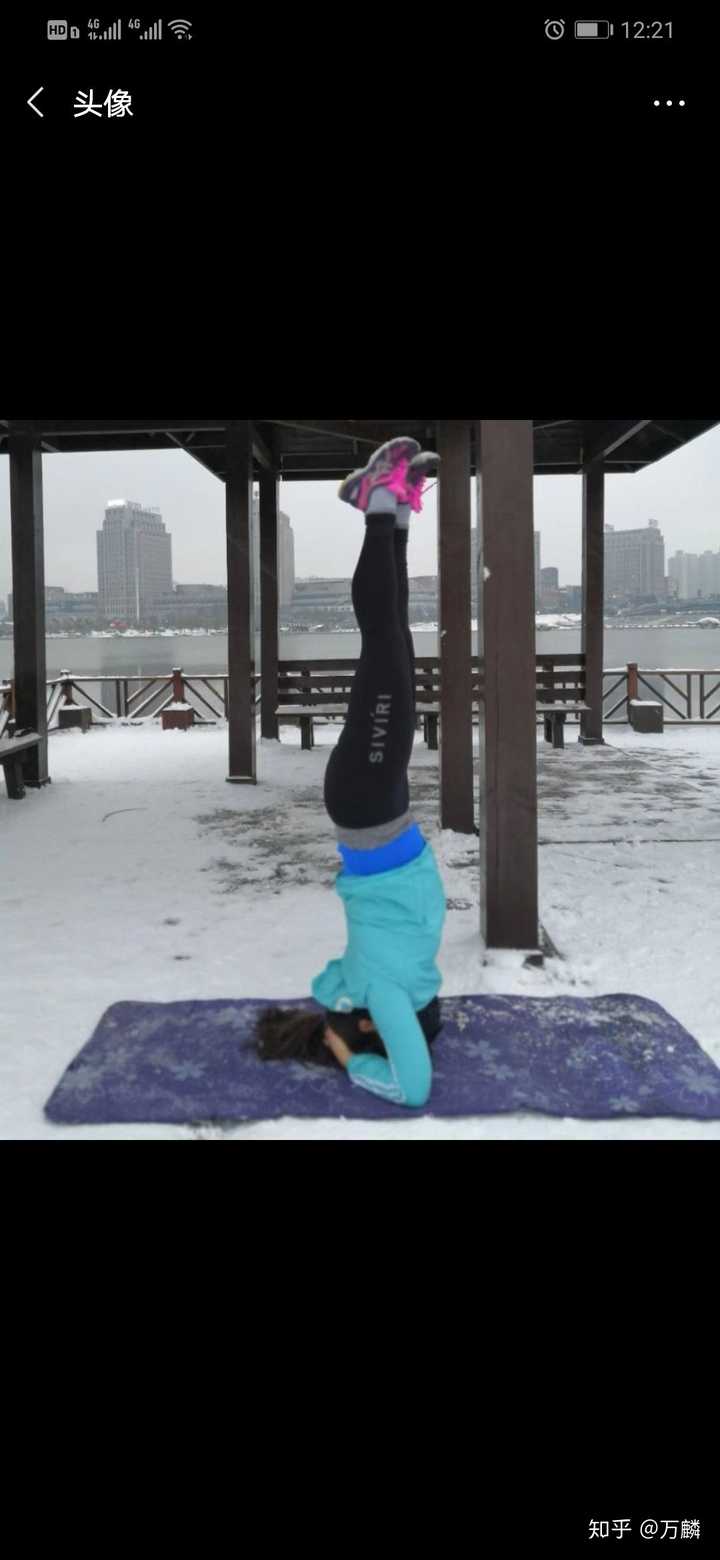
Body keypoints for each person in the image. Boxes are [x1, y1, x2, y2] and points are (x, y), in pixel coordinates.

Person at [256, 436, 447, 1109]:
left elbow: (414, 1087)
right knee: (398, 640)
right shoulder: (409, 982)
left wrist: (348, 1051)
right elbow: (323, 984)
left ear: (380, 1025)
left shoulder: (386, 991)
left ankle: (376, 505)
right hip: (378, 803)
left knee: (385, 642)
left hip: (368, 803)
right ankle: (393, 516)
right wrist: (342, 1015)